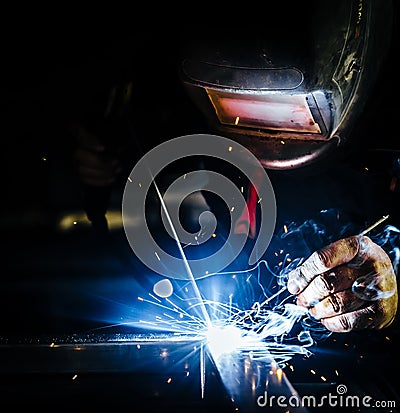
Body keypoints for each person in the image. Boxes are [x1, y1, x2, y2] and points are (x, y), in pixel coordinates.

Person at [68, 2, 399, 335]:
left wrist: (389, 277)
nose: (264, 133)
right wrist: (104, 156)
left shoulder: (383, 113)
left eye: (292, 116)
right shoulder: (168, 78)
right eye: (235, 106)